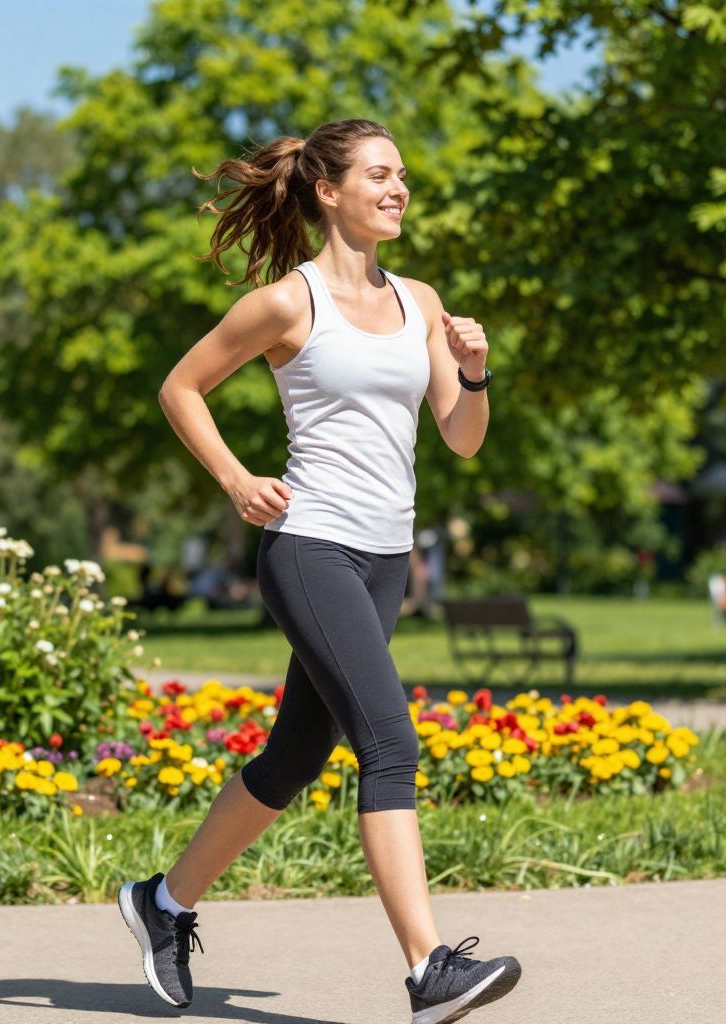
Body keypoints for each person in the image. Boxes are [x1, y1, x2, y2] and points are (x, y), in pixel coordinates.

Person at [117, 118, 519, 1024]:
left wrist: (475, 372)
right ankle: (428, 971)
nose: (399, 188)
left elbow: (459, 439)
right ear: (329, 191)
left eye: (404, 174)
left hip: (385, 560)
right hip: (309, 547)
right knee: (390, 743)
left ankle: (162, 903)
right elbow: (180, 386)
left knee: (296, 757)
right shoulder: (286, 303)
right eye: (380, 174)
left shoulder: (421, 300)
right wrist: (235, 478)